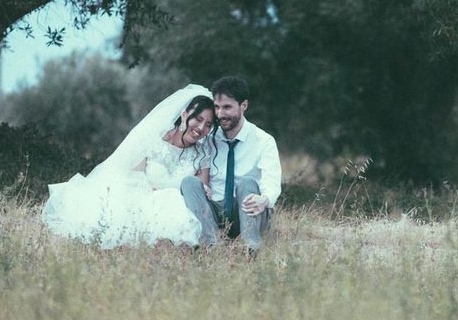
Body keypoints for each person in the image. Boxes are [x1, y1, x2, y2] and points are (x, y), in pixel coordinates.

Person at [42, 84, 215, 249]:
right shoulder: (155, 140)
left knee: (173, 204)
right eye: (198, 119)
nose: (201, 128)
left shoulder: (202, 153)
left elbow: (200, 192)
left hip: (179, 211)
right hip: (142, 201)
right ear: (184, 115)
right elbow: (133, 179)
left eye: (208, 124)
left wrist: (205, 189)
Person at [181, 76, 281, 253]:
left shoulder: (263, 141)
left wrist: (264, 199)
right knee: (188, 182)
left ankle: (251, 248)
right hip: (214, 210)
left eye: (227, 107)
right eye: (217, 107)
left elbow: (272, 182)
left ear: (244, 106)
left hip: (248, 209)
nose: (220, 114)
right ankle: (210, 246)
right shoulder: (208, 140)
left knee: (248, 182)